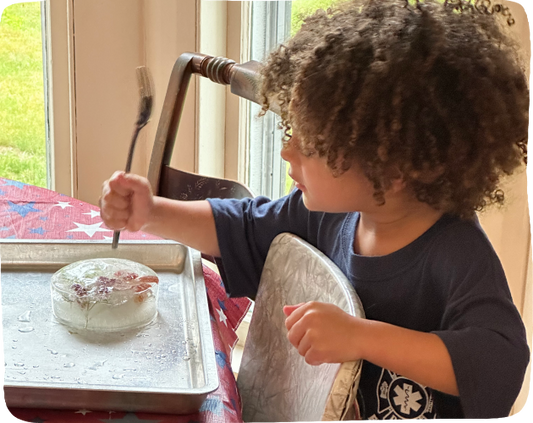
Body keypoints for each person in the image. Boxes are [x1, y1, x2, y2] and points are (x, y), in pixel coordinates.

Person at [100, 0, 530, 420]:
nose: (287, 151)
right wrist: (151, 211)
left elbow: (498, 360)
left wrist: (361, 337)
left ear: (393, 169)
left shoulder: (457, 253)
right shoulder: (331, 213)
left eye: (311, 143)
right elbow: (242, 226)